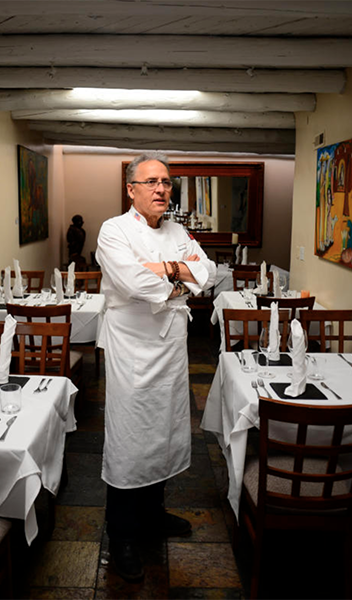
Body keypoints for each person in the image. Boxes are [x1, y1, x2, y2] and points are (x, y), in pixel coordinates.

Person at [96, 152, 216, 582]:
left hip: (170, 351)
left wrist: (165, 269)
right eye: (150, 182)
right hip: (131, 351)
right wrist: (178, 280)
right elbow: (133, 282)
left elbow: (210, 271)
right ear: (131, 189)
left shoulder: (179, 230)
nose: (161, 189)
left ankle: (152, 514)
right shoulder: (114, 231)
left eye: (166, 182)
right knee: (130, 439)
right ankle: (123, 534)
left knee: (163, 433)